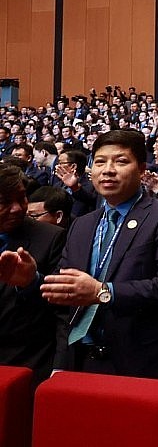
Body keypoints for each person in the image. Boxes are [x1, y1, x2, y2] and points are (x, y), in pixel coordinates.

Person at [39, 129, 158, 380]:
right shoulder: (81, 225)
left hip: (143, 362)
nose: (108, 170)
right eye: (100, 162)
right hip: (82, 358)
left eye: (121, 161)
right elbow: (66, 291)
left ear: (142, 169)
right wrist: (32, 279)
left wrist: (104, 292)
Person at [0, 165, 66, 386]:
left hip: (24, 367)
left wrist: (31, 283)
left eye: (22, 198)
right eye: (4, 202)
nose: (18, 208)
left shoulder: (51, 238)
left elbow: (65, 311)